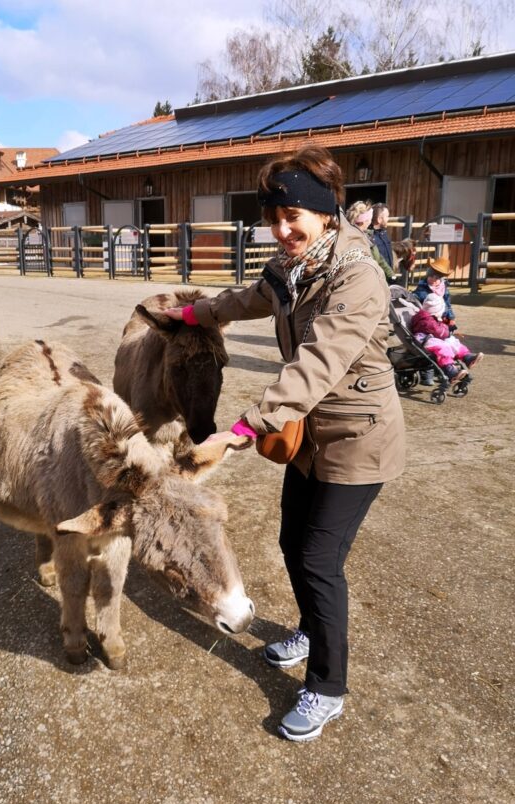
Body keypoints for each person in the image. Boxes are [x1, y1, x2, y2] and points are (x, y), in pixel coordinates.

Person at [162, 145, 405, 742]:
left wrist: (241, 430)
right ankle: (305, 630)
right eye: (272, 218)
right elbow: (246, 300)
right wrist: (192, 315)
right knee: (292, 541)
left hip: (357, 438)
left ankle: (327, 686)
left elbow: (318, 363)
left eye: (292, 215)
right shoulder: (287, 269)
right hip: (306, 438)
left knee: (321, 561)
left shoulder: (357, 275)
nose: (281, 229)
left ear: (326, 212)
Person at [410, 293, 483, 383]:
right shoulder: (427, 320)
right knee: (444, 347)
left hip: (431, 338)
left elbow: (438, 331)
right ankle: (449, 370)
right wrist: (448, 329)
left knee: (452, 341)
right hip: (424, 340)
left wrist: (446, 327)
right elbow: (440, 332)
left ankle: (467, 357)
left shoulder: (429, 317)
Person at [412, 257, 456, 385]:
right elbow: (415, 301)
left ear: (442, 278)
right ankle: (428, 373)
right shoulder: (422, 288)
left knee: (446, 343)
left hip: (442, 320)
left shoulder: (444, 289)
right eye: (430, 275)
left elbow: (448, 304)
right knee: (431, 345)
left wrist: (451, 318)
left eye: (436, 277)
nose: (432, 279)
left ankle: (445, 366)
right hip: (427, 320)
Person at [345, 200, 398, 282]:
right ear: (364, 221)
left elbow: (379, 258)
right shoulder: (355, 240)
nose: (370, 221)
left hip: (375, 280)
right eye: (369, 218)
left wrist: (390, 274)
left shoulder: (369, 237)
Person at [370, 203, 394, 278]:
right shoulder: (370, 238)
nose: (388, 219)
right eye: (387, 216)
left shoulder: (384, 234)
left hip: (387, 276)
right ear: (379, 219)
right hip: (378, 277)